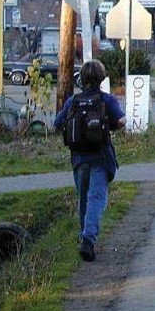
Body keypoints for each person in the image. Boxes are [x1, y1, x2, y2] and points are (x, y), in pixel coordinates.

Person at [54, 59, 126, 262]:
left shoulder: (72, 102)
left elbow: (57, 123)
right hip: (101, 158)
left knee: (84, 199)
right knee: (97, 199)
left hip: (78, 158)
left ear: (82, 79)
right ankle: (88, 239)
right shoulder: (107, 100)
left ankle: (83, 237)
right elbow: (120, 121)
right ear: (101, 78)